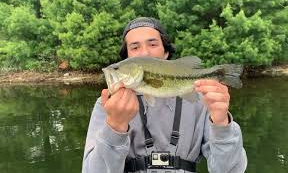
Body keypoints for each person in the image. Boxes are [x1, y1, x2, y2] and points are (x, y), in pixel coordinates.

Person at [82, 17, 247, 173]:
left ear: (166, 52)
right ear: (128, 58)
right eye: (134, 47)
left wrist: (221, 124)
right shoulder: (108, 105)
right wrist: (115, 126)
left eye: (153, 44)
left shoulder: (201, 101)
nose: (144, 53)